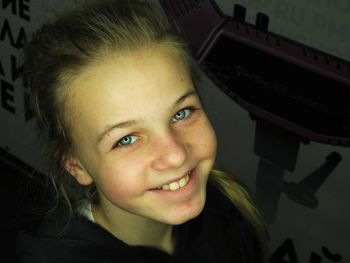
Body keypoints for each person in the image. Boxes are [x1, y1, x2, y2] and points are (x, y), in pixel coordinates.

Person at [16, 0, 268, 262]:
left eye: (181, 113)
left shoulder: (228, 206)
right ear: (75, 164)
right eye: (126, 139)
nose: (175, 156)